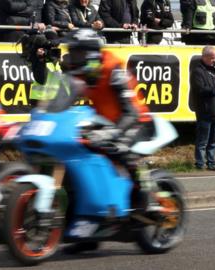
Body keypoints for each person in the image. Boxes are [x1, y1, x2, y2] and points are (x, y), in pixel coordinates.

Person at [60, 28, 153, 254]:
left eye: (78, 53)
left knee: (121, 151)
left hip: (134, 120)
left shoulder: (114, 69)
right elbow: (60, 101)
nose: (73, 58)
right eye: (72, 53)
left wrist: (113, 133)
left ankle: (146, 201)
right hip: (102, 122)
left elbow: (130, 111)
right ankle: (86, 232)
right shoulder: (79, 73)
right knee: (76, 166)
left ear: (91, 54)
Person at [192, 46, 215, 171]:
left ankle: (212, 163)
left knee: (214, 140)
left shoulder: (214, 71)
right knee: (202, 140)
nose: (214, 60)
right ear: (205, 57)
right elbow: (200, 90)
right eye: (212, 58)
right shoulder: (197, 71)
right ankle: (200, 164)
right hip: (205, 111)